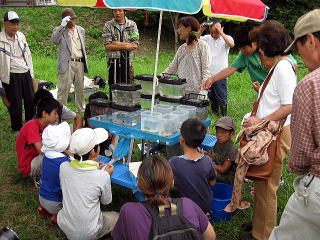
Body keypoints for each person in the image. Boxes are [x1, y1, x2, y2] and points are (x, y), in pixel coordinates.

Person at [239, 20, 297, 240]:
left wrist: (260, 120)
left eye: (260, 48)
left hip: (277, 134)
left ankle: (263, 235)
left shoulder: (282, 68)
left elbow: (290, 104)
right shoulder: (278, 67)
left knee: (267, 188)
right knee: (261, 183)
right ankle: (258, 224)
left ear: (269, 46)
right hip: (269, 133)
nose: (259, 54)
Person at [269, 9, 320, 240]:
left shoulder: (310, 85)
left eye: (299, 49)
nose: (299, 57)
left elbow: (301, 155)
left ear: (310, 40)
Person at [111, 155, 216, 240]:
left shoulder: (129, 211)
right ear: (172, 183)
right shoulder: (188, 205)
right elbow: (211, 237)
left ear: (139, 184)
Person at [58, 128, 118, 240]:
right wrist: (105, 175)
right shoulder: (102, 176)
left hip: (65, 224)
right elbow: (106, 201)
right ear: (93, 152)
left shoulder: (63, 167)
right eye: (98, 144)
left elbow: (81, 175)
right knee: (116, 217)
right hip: (88, 232)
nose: (99, 146)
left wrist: (95, 167)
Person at [198, 29, 297, 93]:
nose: (242, 51)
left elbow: (293, 65)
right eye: (240, 49)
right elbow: (230, 69)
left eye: (244, 48)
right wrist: (211, 79)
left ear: (254, 43)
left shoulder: (269, 50)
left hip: (277, 90)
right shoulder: (244, 55)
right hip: (262, 91)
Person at [169, 118, 216, 213]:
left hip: (187, 208)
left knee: (164, 196)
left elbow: (169, 184)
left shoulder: (174, 162)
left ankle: (170, 219)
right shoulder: (207, 160)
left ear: (182, 140)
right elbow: (212, 183)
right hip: (205, 205)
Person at [0, 11, 35, 133]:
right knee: (15, 102)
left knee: (31, 100)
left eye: (17, 23)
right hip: (11, 75)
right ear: (5, 24)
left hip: (25, 71)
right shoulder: (1, 39)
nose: (16, 26)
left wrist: (31, 74)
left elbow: (28, 55)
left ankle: (31, 125)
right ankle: (17, 128)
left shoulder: (21, 36)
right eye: (12, 23)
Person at [16, 97, 61, 185]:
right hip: (29, 165)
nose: (57, 116)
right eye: (55, 113)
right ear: (44, 114)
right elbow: (42, 151)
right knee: (55, 156)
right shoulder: (32, 126)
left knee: (58, 154)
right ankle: (43, 179)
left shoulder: (46, 126)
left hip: (37, 158)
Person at [52, 8, 88, 113]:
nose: (72, 21)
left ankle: (81, 109)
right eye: (69, 19)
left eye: (73, 19)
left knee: (80, 88)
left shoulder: (81, 30)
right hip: (67, 63)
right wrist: (62, 26)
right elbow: (54, 40)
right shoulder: (59, 30)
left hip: (80, 62)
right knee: (63, 88)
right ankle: (61, 111)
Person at [163, 16, 211, 94]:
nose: (178, 31)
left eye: (180, 27)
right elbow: (172, 67)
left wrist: (203, 90)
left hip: (196, 92)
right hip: (180, 91)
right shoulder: (181, 48)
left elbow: (206, 70)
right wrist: (159, 77)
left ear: (189, 28)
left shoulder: (202, 46)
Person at [199, 21, 235, 116]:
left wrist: (221, 32)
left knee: (221, 94)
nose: (213, 35)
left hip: (221, 74)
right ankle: (215, 112)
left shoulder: (226, 38)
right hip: (208, 73)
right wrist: (200, 30)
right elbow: (196, 40)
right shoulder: (207, 38)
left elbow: (231, 44)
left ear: (221, 30)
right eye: (211, 32)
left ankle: (223, 114)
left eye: (216, 32)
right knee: (211, 95)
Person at [102, 9, 139, 100]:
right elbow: (107, 45)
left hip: (127, 61)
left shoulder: (132, 25)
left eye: (120, 11)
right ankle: (113, 108)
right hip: (113, 61)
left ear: (125, 12)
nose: (117, 13)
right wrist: (126, 46)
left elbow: (135, 44)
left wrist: (116, 43)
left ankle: (126, 108)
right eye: (115, 11)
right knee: (114, 86)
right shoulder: (108, 25)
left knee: (128, 86)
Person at [38, 122, 71, 219]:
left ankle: (43, 209)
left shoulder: (46, 156)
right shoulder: (65, 163)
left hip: (42, 197)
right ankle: (58, 217)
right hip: (56, 202)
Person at [211, 116, 237, 185]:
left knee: (206, 173)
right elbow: (216, 157)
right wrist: (207, 155)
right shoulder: (217, 143)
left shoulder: (232, 150)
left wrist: (209, 165)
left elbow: (223, 169)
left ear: (232, 134)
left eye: (222, 133)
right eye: (217, 132)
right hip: (219, 168)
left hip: (228, 177)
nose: (218, 135)